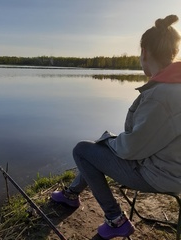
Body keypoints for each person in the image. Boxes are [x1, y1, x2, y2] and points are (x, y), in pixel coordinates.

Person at [51, 14, 181, 239]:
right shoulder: (174, 87)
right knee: (97, 150)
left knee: (83, 150)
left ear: (144, 53)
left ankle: (115, 219)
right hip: (171, 166)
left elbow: (130, 148)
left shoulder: (161, 96)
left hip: (161, 174)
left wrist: (108, 141)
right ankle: (71, 194)